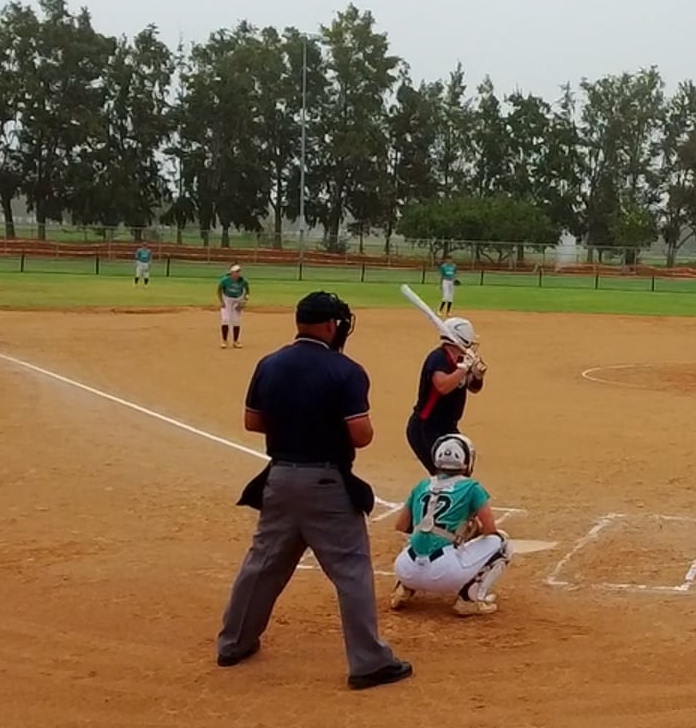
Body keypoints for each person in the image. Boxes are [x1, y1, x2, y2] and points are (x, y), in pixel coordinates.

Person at [216, 291, 411, 691]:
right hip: (325, 483)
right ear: (329, 325)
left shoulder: (269, 363)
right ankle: (369, 662)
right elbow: (361, 435)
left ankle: (234, 643)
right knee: (351, 570)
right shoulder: (346, 370)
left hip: (279, 478)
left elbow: (253, 421)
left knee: (262, 564)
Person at [389, 433, 513, 617]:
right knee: (502, 542)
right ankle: (469, 599)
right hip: (444, 573)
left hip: (405, 569)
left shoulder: (422, 485)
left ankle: (404, 587)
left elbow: (401, 525)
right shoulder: (472, 487)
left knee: (416, 534)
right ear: (467, 461)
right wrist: (469, 532)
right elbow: (490, 530)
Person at [406, 318, 484, 474]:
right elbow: (442, 386)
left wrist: (477, 375)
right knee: (445, 473)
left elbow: (474, 388)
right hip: (426, 426)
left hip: (447, 426)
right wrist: (463, 369)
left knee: (462, 468)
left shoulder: (462, 360)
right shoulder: (438, 358)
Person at [217, 264, 249, 348]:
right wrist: (221, 301)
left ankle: (236, 341)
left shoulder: (243, 281)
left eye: (239, 272)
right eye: (236, 272)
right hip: (227, 299)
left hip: (237, 300)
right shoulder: (225, 280)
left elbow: (247, 292)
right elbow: (219, 290)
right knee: (225, 319)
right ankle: (224, 341)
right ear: (231, 273)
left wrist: (244, 302)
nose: (238, 274)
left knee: (236, 321)